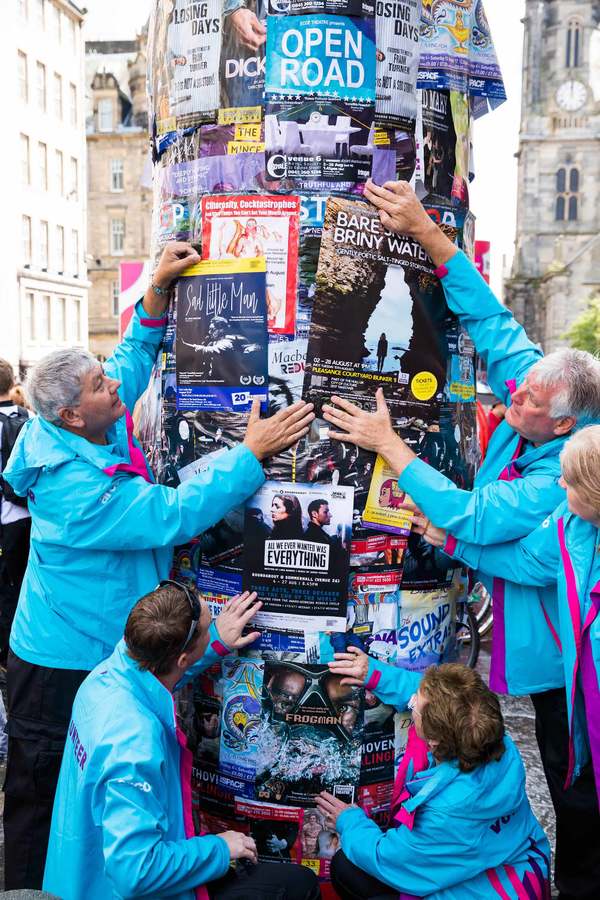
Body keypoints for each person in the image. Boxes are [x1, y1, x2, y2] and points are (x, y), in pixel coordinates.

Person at [2, 240, 314, 890]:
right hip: (62, 658)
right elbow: (172, 514)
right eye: (97, 386)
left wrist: (153, 296)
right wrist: (250, 453)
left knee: (88, 793)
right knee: (46, 794)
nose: (112, 386)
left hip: (99, 641)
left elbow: (127, 363)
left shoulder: (85, 422)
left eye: (100, 377)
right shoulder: (74, 488)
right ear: (69, 414)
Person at [323, 178, 600, 896]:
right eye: (520, 389)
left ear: (563, 424)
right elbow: (493, 321)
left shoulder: (565, 476)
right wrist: (425, 230)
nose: (511, 402)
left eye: (528, 403)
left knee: (576, 782)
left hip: (568, 662)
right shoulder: (541, 394)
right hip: (544, 645)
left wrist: (390, 445)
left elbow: (477, 522)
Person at [43, 582, 320, 900]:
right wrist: (219, 848)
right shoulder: (133, 745)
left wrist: (214, 642)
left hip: (77, 878)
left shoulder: (104, 678)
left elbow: (160, 677)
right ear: (184, 657)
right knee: (297, 884)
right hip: (113, 891)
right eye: (207, 626)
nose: (213, 624)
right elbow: (135, 872)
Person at [436, 425, 600, 893]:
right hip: (579, 701)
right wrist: (454, 544)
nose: (559, 487)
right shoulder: (575, 525)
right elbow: (527, 561)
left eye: (568, 480)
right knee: (578, 801)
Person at [316, 647, 550, 900]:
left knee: (346, 868)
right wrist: (375, 674)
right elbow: (445, 702)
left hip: (478, 891)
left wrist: (350, 820)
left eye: (414, 706)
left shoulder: (443, 813)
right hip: (521, 874)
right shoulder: (491, 738)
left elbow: (385, 860)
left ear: (435, 741)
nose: (411, 701)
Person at [0, 358, 31, 668]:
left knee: (6, 588)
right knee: (23, 583)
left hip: (5, 520)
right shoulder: (30, 419)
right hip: (27, 516)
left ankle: (7, 652)